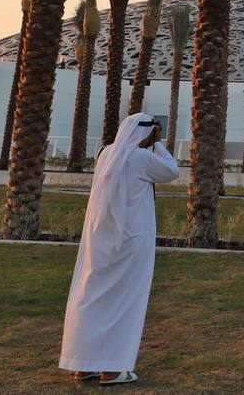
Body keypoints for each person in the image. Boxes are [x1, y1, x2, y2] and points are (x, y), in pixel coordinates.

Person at [59, 113, 179, 386]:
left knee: (92, 296)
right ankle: (112, 368)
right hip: (130, 241)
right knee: (124, 301)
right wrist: (158, 145)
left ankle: (83, 363)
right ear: (147, 134)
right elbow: (171, 171)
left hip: (100, 239)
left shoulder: (105, 154)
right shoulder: (141, 158)